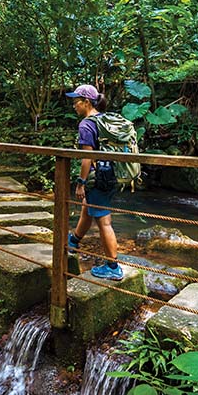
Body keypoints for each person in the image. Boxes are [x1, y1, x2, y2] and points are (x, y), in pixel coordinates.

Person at [65, 84, 123, 280]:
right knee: (86, 207)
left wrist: (81, 183)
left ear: (86, 102)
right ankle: (74, 241)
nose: (74, 105)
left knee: (104, 222)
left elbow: (87, 158)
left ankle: (113, 267)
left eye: (76, 102)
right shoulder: (104, 119)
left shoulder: (86, 125)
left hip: (97, 178)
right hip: (111, 174)